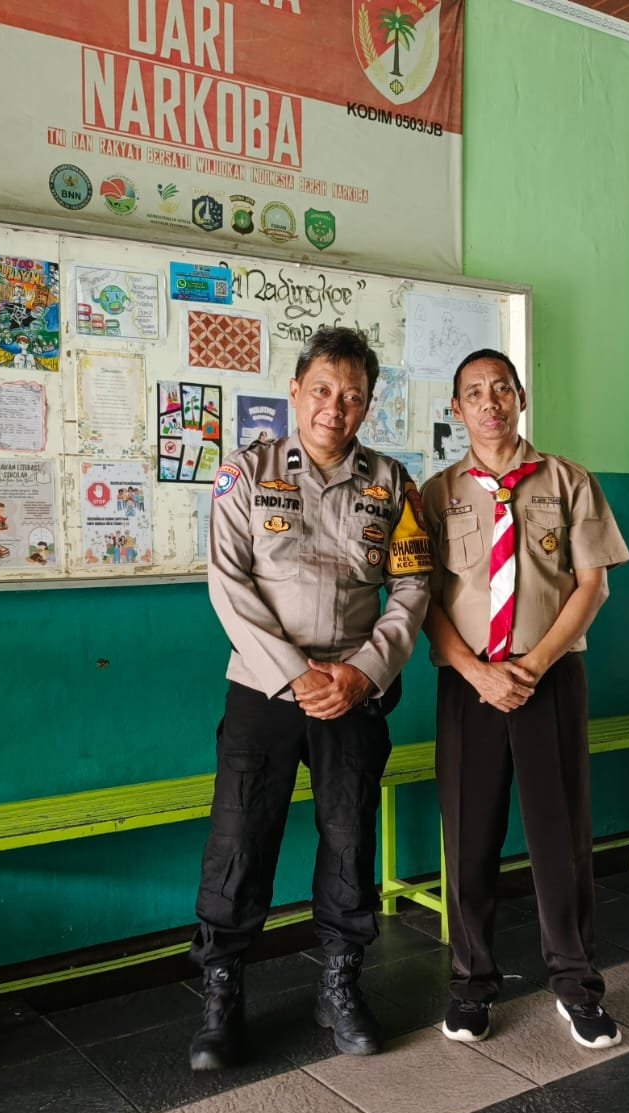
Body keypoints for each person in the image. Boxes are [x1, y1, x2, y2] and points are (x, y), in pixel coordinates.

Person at [189, 327, 431, 1070]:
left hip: (353, 692)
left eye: (352, 396)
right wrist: (295, 675)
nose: (335, 407)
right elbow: (228, 584)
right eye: (322, 390)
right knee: (239, 840)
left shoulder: (393, 484)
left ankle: (340, 986)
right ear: (295, 392)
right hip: (263, 689)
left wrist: (362, 673)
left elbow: (412, 588)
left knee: (350, 839)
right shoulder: (246, 473)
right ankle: (222, 996)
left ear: (368, 404)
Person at [419, 349, 629, 1049]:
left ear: (521, 397)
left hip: (550, 678)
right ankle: (471, 985)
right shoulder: (436, 495)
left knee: (561, 838)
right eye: (475, 393)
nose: (491, 402)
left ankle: (576, 985)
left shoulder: (569, 481)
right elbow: (423, 601)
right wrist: (478, 673)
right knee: (468, 838)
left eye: (502, 389)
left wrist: (533, 666)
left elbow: (593, 585)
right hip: (469, 685)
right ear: (457, 409)